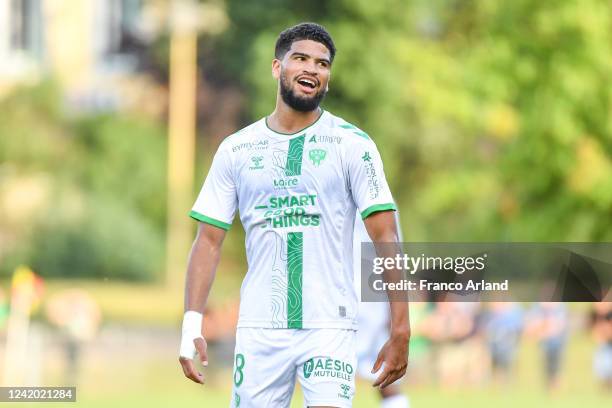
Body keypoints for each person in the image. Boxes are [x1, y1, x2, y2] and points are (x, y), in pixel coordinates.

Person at [178, 22, 410, 408]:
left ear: (328, 78)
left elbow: (385, 236)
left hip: (329, 327)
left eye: (322, 63)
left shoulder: (353, 146)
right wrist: (191, 323)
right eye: (300, 58)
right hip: (259, 329)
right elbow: (208, 241)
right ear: (276, 67)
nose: (312, 69)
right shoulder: (236, 150)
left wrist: (400, 327)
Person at [353, 213, 410, 408]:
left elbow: (392, 249)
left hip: (366, 300)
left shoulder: (379, 198)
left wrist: (395, 316)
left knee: (386, 376)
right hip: (359, 298)